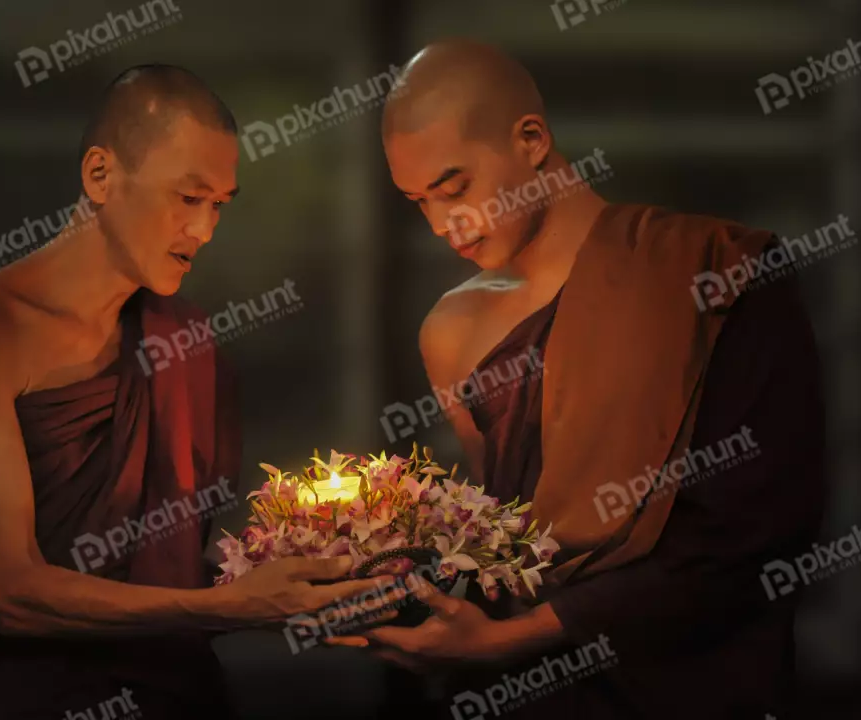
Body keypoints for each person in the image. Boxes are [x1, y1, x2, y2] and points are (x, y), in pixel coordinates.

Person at [328, 40, 827, 719]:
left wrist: (517, 639)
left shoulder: (713, 271)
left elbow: (754, 535)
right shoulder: (451, 330)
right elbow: (511, 538)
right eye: (418, 202)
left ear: (531, 140)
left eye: (454, 188)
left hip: (689, 679)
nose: (445, 224)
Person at [0, 64, 392, 720]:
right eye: (188, 198)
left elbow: (182, 564)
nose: (205, 231)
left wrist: (324, 576)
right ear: (100, 176)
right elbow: (13, 594)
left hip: (175, 697)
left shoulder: (184, 339)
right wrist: (229, 608)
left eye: (220, 204)